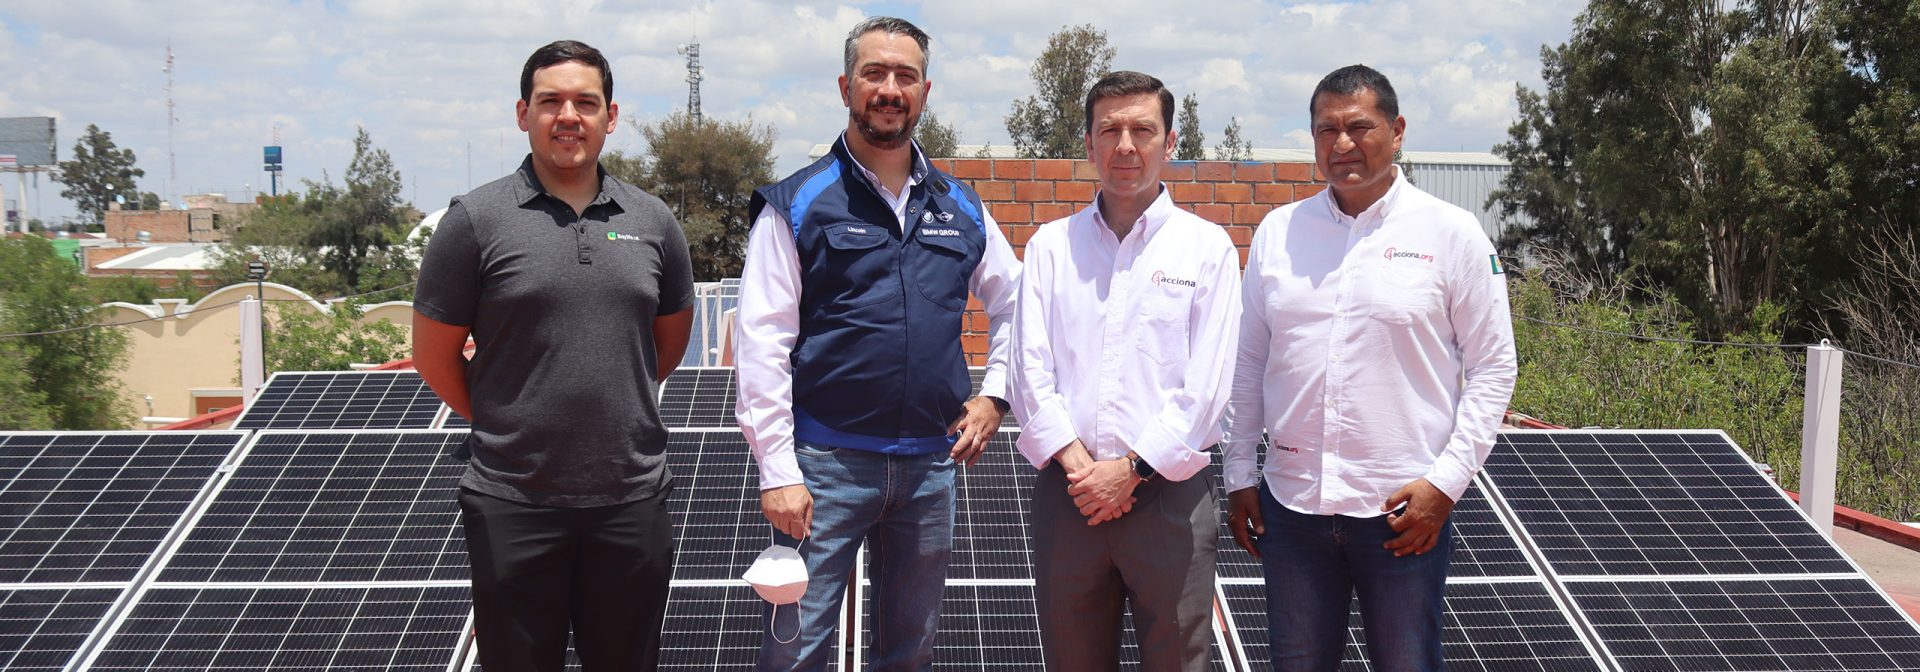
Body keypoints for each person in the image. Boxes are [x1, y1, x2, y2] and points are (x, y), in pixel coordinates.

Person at [732, 16, 1021, 671]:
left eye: (905, 77)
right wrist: (778, 472)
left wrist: (997, 394)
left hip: (929, 469)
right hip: (822, 467)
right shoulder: (798, 204)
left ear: (924, 92)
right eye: (874, 74)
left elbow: (1018, 304)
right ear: (846, 86)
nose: (889, 90)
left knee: (908, 654)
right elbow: (761, 343)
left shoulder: (963, 208)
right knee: (794, 653)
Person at [1220, 64, 1518, 671]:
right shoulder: (1280, 233)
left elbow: (1493, 368)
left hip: (1402, 511)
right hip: (1293, 508)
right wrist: (1238, 475)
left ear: (1397, 130)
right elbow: (1249, 360)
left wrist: (1446, 484)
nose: (1343, 144)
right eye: (1326, 130)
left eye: (1360, 126)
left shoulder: (1452, 234)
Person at [411, 40, 694, 672]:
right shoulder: (475, 221)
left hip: (630, 498)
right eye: (551, 101)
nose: (569, 115)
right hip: (514, 501)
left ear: (610, 116)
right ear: (523, 113)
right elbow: (433, 356)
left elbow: (666, 345)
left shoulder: (652, 220)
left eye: (585, 102)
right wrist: (505, 417)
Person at [1009, 70, 1241, 671]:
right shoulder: (1049, 247)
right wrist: (1082, 468)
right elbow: (1027, 369)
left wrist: (1131, 471)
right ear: (1088, 144)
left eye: (1143, 129)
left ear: (1169, 141)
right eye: (1109, 130)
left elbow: (1209, 387)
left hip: (1168, 499)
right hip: (1071, 497)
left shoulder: (1207, 248)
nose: (1126, 146)